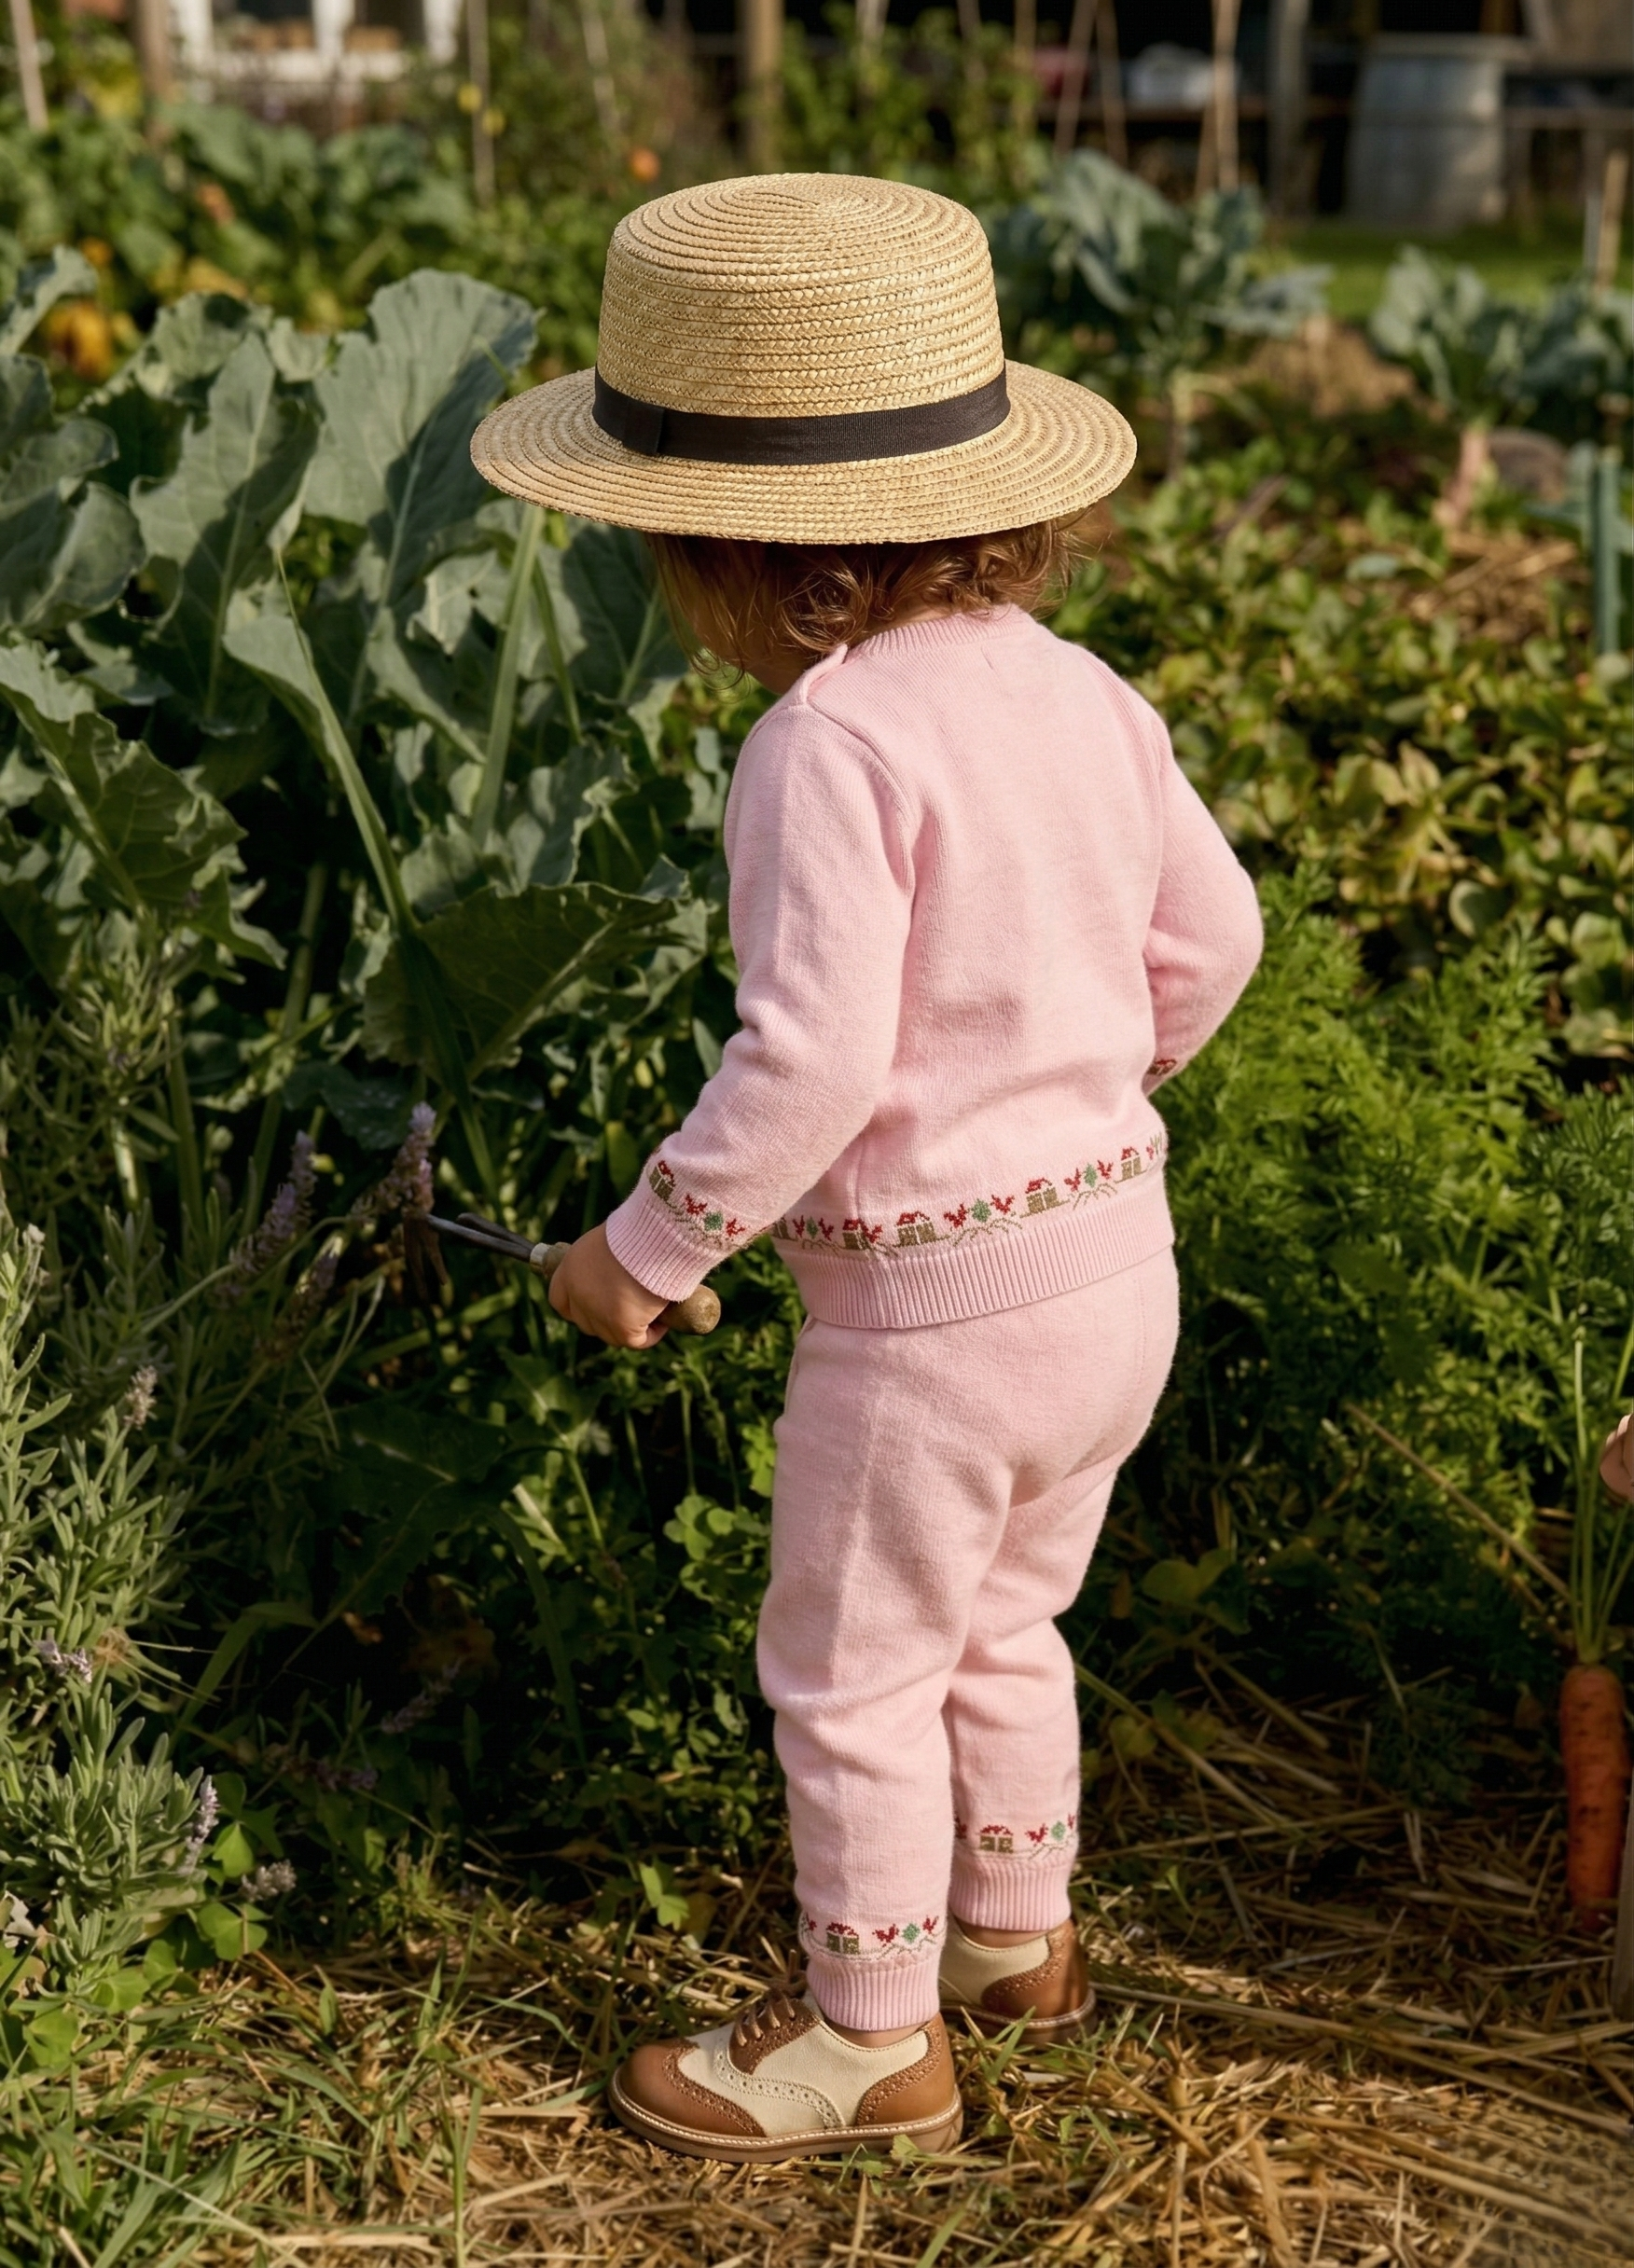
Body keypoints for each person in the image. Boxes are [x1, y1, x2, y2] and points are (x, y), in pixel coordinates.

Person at [472, 173, 1264, 2164]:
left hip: (930, 1332)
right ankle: (1018, 1941)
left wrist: (651, 1247)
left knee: (846, 1670)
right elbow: (1219, 938)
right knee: (1008, 1620)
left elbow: (810, 1057)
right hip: (1114, 1274)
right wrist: (1080, 1087)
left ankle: (868, 2037)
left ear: (717, 548)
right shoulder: (1086, 691)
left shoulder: (826, 744)